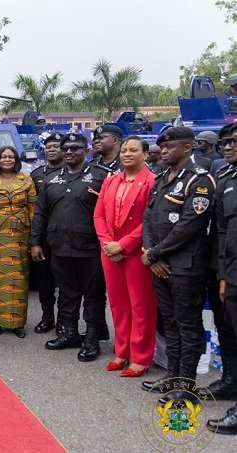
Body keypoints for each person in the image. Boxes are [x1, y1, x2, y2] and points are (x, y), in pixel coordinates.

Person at [139, 126, 215, 403]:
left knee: (188, 325)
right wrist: (150, 252)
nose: (164, 150)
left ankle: (187, 386)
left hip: (186, 266)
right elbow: (148, 219)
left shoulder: (200, 181)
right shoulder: (161, 179)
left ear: (188, 147)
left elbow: (189, 226)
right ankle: (172, 377)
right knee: (170, 322)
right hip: (160, 263)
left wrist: (155, 253)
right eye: (163, 146)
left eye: (170, 146)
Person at [30, 133, 110, 361]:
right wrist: (35, 242)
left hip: (90, 248)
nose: (69, 152)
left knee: (93, 295)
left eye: (76, 148)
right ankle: (68, 333)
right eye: (66, 148)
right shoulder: (52, 179)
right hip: (60, 246)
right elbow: (40, 213)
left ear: (87, 151)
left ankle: (92, 338)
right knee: (66, 293)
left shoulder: (101, 176)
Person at [93, 136, 157, 377]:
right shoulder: (111, 181)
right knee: (119, 305)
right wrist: (108, 244)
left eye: (133, 150)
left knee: (141, 305)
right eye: (124, 150)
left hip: (136, 252)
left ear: (146, 154)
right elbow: (99, 215)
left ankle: (140, 357)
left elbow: (150, 221)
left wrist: (123, 245)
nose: (127, 154)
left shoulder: (152, 181)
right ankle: (122, 352)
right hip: (110, 251)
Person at [0, 146, 36, 338]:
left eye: (10, 157)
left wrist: (34, 237)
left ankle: (18, 323)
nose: (7, 160)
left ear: (16, 160)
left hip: (20, 234)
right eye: (3, 156)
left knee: (20, 277)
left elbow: (32, 208)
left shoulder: (26, 179)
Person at [207, 124, 237, 434]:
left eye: (234, 142)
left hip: (232, 269)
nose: (227, 147)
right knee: (226, 327)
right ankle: (230, 379)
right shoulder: (226, 177)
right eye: (225, 142)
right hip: (222, 266)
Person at [30, 132, 65, 333]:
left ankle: (64, 320)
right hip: (42, 236)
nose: (52, 150)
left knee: (66, 284)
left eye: (57, 146)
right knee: (44, 283)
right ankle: (47, 317)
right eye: (49, 146)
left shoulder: (72, 173)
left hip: (64, 237)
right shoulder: (36, 174)